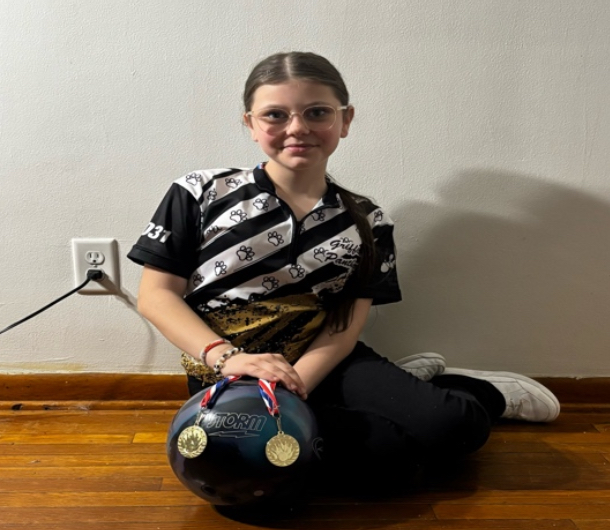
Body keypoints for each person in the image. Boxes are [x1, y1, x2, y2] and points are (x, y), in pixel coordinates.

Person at [127, 51, 560, 487]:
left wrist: (291, 384)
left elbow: (343, 326)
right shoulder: (199, 193)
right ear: (251, 124)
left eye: (317, 112)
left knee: (456, 430)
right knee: (385, 462)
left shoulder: (368, 221)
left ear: (345, 120)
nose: (297, 128)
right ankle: (406, 383)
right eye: (275, 114)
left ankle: (480, 391)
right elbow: (157, 296)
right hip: (226, 376)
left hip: (325, 362)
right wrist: (231, 359)